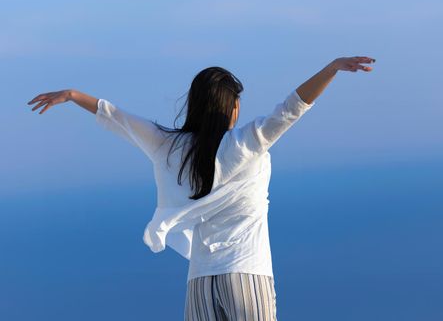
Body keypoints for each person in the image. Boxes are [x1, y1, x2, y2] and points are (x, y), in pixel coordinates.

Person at [27, 56, 375, 320]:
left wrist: (72, 95)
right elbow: (291, 109)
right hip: (246, 274)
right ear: (232, 108)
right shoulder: (247, 142)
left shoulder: (169, 146)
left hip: (200, 283)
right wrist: (332, 68)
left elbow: (118, 118)